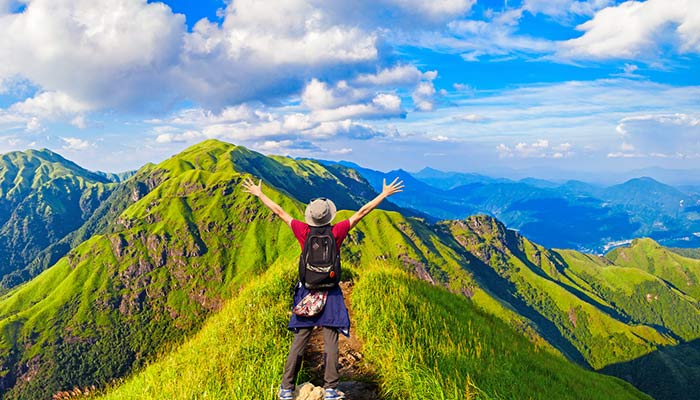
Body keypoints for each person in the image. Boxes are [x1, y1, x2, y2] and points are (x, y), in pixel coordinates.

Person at [241, 176, 404, 400]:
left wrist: (259, 194)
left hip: (307, 291)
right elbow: (362, 212)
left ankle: (287, 389)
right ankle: (330, 389)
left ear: (310, 217)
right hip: (331, 292)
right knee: (331, 340)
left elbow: (279, 212)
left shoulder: (302, 231)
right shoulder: (336, 232)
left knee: (300, 339)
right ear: (329, 216)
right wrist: (384, 195)